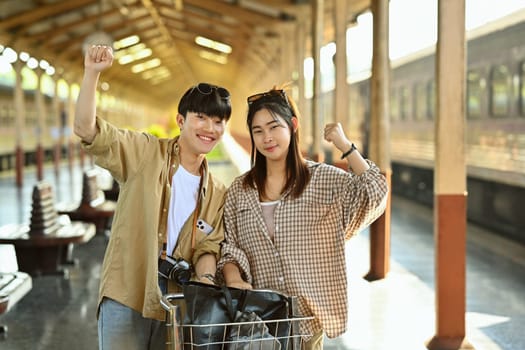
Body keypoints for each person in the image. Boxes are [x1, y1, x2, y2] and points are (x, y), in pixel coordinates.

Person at [75, 44, 232, 350]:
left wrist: (206, 282)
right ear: (181, 120)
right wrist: (92, 74)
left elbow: (208, 248)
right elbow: (87, 130)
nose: (210, 128)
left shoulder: (217, 192)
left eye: (218, 121)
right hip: (129, 288)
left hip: (177, 302)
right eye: (201, 117)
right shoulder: (145, 153)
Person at [216, 87, 388, 349]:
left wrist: (345, 146)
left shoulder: (324, 180)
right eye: (258, 130)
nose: (267, 138)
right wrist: (233, 279)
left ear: (293, 125)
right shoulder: (240, 190)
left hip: (307, 324)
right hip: (257, 324)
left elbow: (375, 192)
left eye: (274, 127)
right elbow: (230, 247)